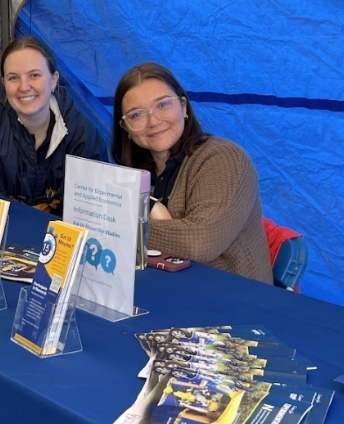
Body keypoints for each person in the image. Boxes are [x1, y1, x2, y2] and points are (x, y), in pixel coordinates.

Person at [111, 63, 272, 283]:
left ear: (184, 107)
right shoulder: (135, 172)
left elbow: (200, 243)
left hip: (230, 300)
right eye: (137, 114)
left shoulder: (224, 159)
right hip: (165, 290)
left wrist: (137, 216)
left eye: (163, 104)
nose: (153, 121)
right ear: (126, 128)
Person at [0, 37, 107, 215]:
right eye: (13, 78)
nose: (24, 87)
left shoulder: (83, 134)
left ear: (54, 79)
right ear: (4, 83)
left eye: (34, 75)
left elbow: (89, 211)